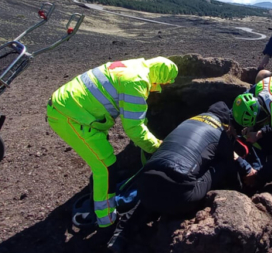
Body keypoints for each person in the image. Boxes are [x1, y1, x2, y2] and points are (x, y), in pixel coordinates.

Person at [46, 57, 178, 228]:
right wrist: (156, 148)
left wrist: (147, 135)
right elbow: (133, 128)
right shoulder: (137, 82)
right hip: (72, 118)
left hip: (70, 108)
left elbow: (135, 117)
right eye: (163, 83)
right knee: (105, 166)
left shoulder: (135, 66)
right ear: (160, 76)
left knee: (102, 159)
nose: (158, 88)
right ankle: (105, 220)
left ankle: (99, 192)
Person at [106, 102, 253, 252]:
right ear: (226, 123)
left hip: (145, 185)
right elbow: (230, 167)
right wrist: (243, 192)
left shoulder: (189, 120)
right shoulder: (220, 132)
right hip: (182, 198)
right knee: (221, 164)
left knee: (154, 190)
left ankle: (119, 236)